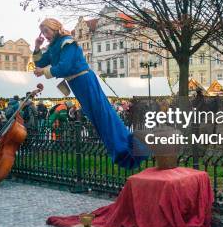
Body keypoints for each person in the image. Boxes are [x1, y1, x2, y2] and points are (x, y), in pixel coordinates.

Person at [33, 18, 147, 168]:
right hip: (76, 83)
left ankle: (129, 148)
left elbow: (64, 67)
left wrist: (44, 71)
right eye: (43, 32)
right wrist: (37, 46)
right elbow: (40, 62)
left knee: (103, 114)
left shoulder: (67, 42)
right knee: (96, 117)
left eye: (46, 31)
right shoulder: (54, 47)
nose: (45, 35)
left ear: (54, 28)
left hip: (84, 80)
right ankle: (121, 149)